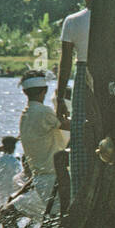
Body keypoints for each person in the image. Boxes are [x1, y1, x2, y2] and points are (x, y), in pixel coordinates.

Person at [57, 0, 93, 200]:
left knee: (79, 132)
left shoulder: (73, 21)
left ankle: (79, 190)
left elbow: (65, 62)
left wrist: (60, 97)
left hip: (83, 73)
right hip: (110, 75)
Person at [17, 71, 69, 214]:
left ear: (25, 92)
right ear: (45, 91)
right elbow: (69, 126)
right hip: (53, 177)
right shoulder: (44, 112)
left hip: (40, 178)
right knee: (61, 217)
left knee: (55, 217)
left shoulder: (25, 114)